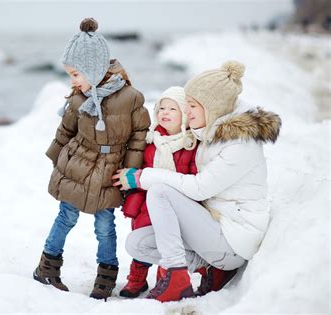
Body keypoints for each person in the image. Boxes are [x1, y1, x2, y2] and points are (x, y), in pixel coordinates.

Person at [113, 61, 281, 302]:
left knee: (159, 191)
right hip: (214, 228)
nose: (187, 111)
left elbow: (199, 188)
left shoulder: (240, 144)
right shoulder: (211, 132)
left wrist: (143, 177)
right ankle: (211, 268)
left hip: (233, 240)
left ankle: (176, 277)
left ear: (211, 106)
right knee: (138, 243)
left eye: (192, 105)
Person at [33, 17, 151, 300]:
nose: (73, 81)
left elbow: (138, 135)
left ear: (94, 69)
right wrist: (56, 159)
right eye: (70, 74)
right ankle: (47, 267)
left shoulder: (131, 98)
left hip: (110, 171)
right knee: (66, 216)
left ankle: (106, 276)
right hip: (77, 165)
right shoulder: (78, 99)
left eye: (76, 74)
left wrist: (131, 171)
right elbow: (65, 131)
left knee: (104, 225)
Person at [118, 86, 198, 298]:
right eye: (161, 108)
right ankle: (136, 278)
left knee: (167, 240)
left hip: (175, 202)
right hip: (146, 201)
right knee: (142, 235)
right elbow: (141, 167)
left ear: (183, 115)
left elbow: (193, 176)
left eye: (172, 108)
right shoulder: (151, 140)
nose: (165, 112)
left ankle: (166, 277)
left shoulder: (190, 144)